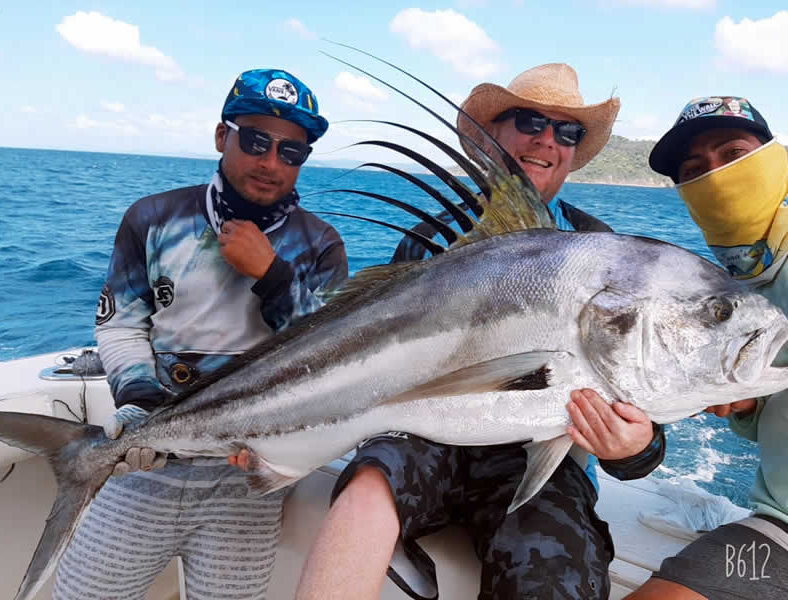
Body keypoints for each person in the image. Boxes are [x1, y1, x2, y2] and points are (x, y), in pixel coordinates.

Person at [294, 63, 666, 600]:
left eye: (568, 131)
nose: (547, 140)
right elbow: (362, 359)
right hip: (425, 430)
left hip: (539, 458)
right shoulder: (428, 243)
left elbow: (649, 418)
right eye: (530, 120)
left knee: (556, 565)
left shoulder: (603, 252)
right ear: (493, 135)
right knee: (369, 485)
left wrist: (635, 445)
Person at [51, 69, 348, 600]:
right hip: (146, 465)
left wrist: (272, 274)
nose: (271, 161)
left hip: (249, 479)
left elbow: (331, 357)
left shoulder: (321, 245)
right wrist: (140, 403)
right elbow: (121, 322)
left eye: (291, 152)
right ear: (221, 136)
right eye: (256, 140)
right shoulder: (153, 218)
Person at [625, 97, 788, 599]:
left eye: (735, 153)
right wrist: (748, 405)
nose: (716, 176)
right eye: (695, 170)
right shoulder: (734, 287)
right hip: (777, 534)